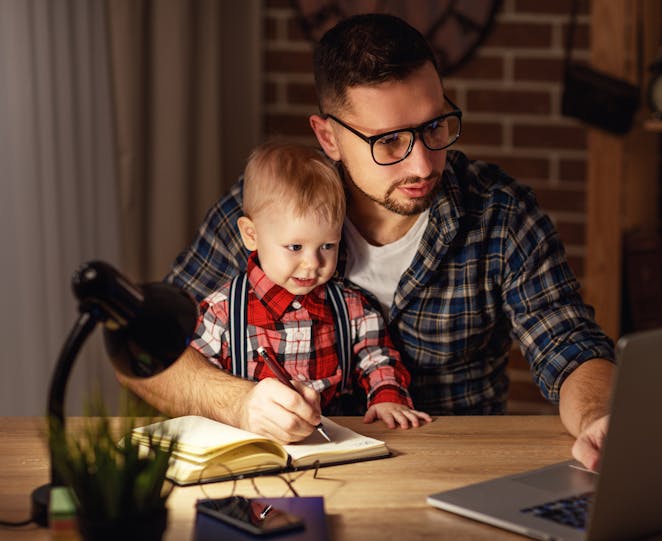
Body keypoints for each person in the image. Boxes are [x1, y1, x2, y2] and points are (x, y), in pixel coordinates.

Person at [117, 13, 615, 470]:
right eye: (389, 141)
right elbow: (146, 353)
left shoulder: (500, 216)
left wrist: (598, 416)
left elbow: (568, 344)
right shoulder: (261, 217)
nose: (422, 165)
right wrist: (239, 402)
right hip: (287, 479)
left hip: (454, 472)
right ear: (328, 137)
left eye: (435, 125)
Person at [189, 140, 431, 436]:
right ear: (251, 235)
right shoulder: (222, 311)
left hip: (337, 441)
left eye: (327, 246)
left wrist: (387, 397)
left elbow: (377, 356)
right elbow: (198, 381)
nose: (312, 263)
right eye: (295, 247)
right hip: (255, 444)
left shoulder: (351, 308)